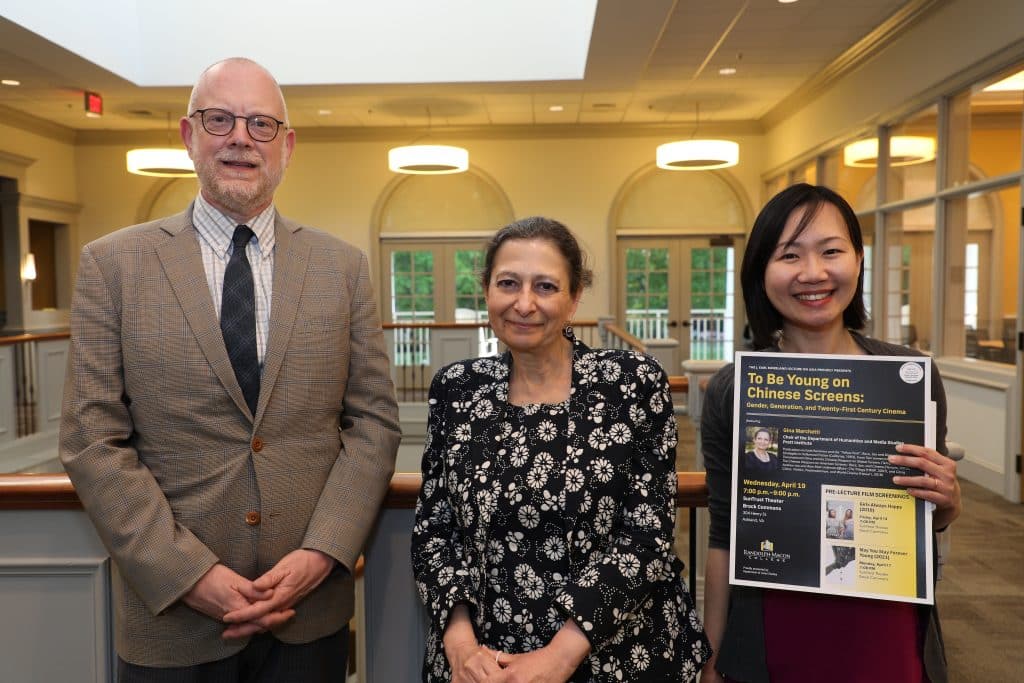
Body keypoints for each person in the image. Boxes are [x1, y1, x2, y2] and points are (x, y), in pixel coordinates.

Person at [59, 58, 401, 682]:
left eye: (262, 124)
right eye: (220, 119)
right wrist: (187, 573)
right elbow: (91, 439)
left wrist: (323, 552)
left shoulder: (342, 268)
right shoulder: (113, 265)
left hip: (308, 617)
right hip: (171, 623)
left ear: (287, 147)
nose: (241, 137)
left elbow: (374, 423)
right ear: (189, 135)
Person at [411, 217, 710, 682]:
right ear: (487, 290)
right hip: (482, 665)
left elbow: (647, 535)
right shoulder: (457, 389)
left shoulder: (631, 383)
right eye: (507, 283)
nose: (523, 303)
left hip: (613, 656)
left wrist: (560, 656)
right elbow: (435, 528)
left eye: (545, 287)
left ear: (573, 299)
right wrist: (460, 643)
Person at [699, 184, 961, 683]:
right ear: (760, 272)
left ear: (859, 260)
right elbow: (723, 532)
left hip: (882, 625)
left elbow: (933, 517)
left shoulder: (907, 374)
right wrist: (713, 657)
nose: (813, 273)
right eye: (789, 255)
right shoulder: (735, 389)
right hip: (775, 620)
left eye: (831, 251)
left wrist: (949, 499)